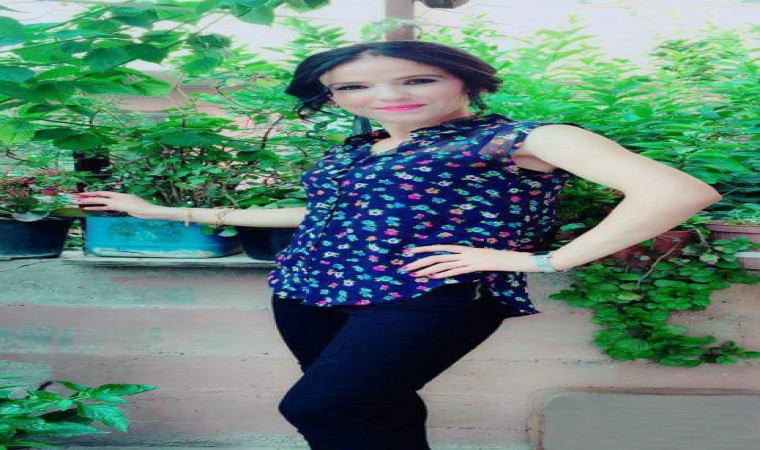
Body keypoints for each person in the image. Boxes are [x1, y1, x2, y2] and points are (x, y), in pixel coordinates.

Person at [74, 41, 722, 450]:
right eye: (354, 87)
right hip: (309, 290)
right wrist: (158, 210)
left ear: (465, 81)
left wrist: (542, 261)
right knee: (374, 410)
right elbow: (318, 213)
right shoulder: (360, 150)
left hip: (428, 293)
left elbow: (677, 192)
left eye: (415, 80)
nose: (385, 95)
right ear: (333, 98)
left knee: (325, 406)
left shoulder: (522, 137)